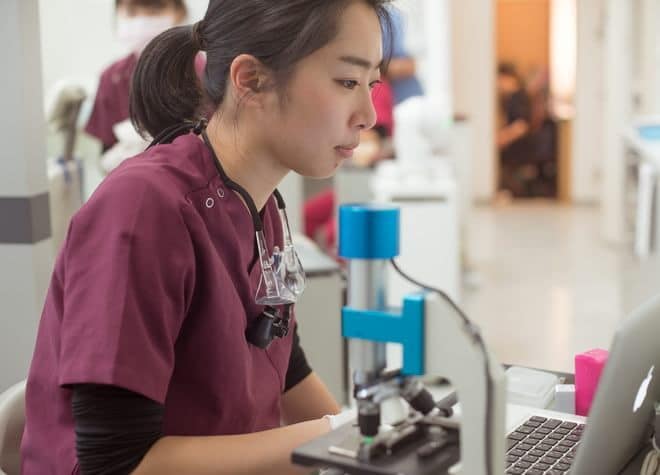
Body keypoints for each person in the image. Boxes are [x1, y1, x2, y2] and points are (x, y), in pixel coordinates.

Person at [21, 1, 391, 474]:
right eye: (347, 82)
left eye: (372, 85)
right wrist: (332, 437)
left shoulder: (259, 205)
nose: (368, 115)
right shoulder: (143, 208)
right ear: (251, 80)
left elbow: (284, 371)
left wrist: (374, 444)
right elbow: (115, 464)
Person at [84, 0, 189, 152]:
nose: (142, 20)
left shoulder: (203, 74)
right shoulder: (112, 78)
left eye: (155, 10)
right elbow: (106, 148)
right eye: (132, 12)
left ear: (180, 13)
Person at [496, 62, 534, 198]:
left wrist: (502, 138)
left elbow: (521, 126)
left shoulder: (519, 97)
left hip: (522, 145)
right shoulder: (513, 97)